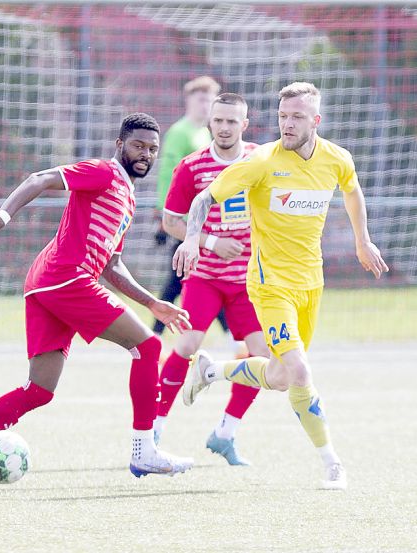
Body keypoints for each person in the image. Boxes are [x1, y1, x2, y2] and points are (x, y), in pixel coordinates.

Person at [0, 113, 195, 484]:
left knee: (39, 390)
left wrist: (153, 303)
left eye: (152, 149)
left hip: (47, 285)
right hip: (65, 279)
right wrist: (3, 217)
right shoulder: (104, 172)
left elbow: (113, 266)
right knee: (148, 347)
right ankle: (143, 451)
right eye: (138, 145)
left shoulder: (128, 197)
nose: (145, 154)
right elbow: (40, 178)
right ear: (120, 145)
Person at [174, 82, 389, 490]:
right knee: (300, 370)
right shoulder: (263, 161)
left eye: (297, 117)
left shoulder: (336, 158)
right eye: (282, 116)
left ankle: (212, 369)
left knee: (280, 377)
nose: (287, 124)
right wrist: (190, 238)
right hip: (269, 284)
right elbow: (204, 198)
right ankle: (332, 464)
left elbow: (352, 190)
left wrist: (363, 240)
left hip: (311, 283)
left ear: (316, 121)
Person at [156, 93, 266, 466]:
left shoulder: (260, 161)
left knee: (263, 358)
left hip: (249, 282)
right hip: (205, 277)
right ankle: (152, 430)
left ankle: (225, 433)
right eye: (218, 121)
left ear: (244, 125)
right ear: (210, 123)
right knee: (186, 346)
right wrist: (211, 241)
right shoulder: (192, 167)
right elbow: (171, 221)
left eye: (231, 122)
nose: (223, 127)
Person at [152, 76, 232, 341]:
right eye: (201, 99)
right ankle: (234, 337)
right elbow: (169, 174)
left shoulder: (204, 133)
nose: (206, 104)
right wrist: (166, 215)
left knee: (186, 276)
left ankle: (154, 335)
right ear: (189, 100)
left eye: (211, 99)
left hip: (202, 220)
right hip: (186, 221)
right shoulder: (180, 132)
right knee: (185, 277)